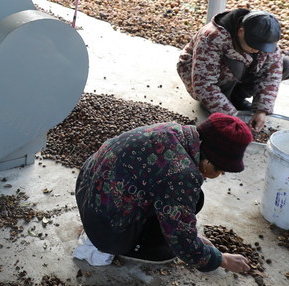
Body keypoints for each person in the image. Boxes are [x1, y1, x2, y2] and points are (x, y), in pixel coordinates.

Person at [75, 114, 253, 274]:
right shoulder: (183, 174)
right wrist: (220, 259)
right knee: (164, 248)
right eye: (221, 170)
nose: (220, 175)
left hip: (88, 193)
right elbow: (181, 240)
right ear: (208, 161)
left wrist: (193, 237)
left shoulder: (175, 131)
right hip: (106, 229)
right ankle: (129, 247)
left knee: (194, 198)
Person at [177, 9, 289, 132]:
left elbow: (270, 75)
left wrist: (261, 110)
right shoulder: (212, 36)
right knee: (237, 64)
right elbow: (203, 85)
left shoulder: (264, 36)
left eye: (261, 48)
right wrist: (233, 116)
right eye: (253, 46)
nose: (257, 51)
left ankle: (236, 98)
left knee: (285, 64)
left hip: (235, 76)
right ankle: (222, 100)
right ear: (241, 32)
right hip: (197, 76)